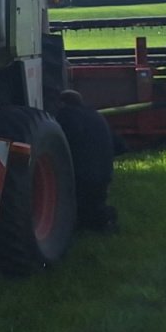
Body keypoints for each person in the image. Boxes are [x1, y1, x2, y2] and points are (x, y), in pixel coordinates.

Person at [54, 90, 121, 233]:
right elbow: (120, 145)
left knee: (83, 210)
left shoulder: (67, 116)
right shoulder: (96, 115)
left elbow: (64, 142)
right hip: (104, 173)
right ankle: (104, 220)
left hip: (83, 175)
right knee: (95, 203)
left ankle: (102, 219)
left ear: (62, 103)